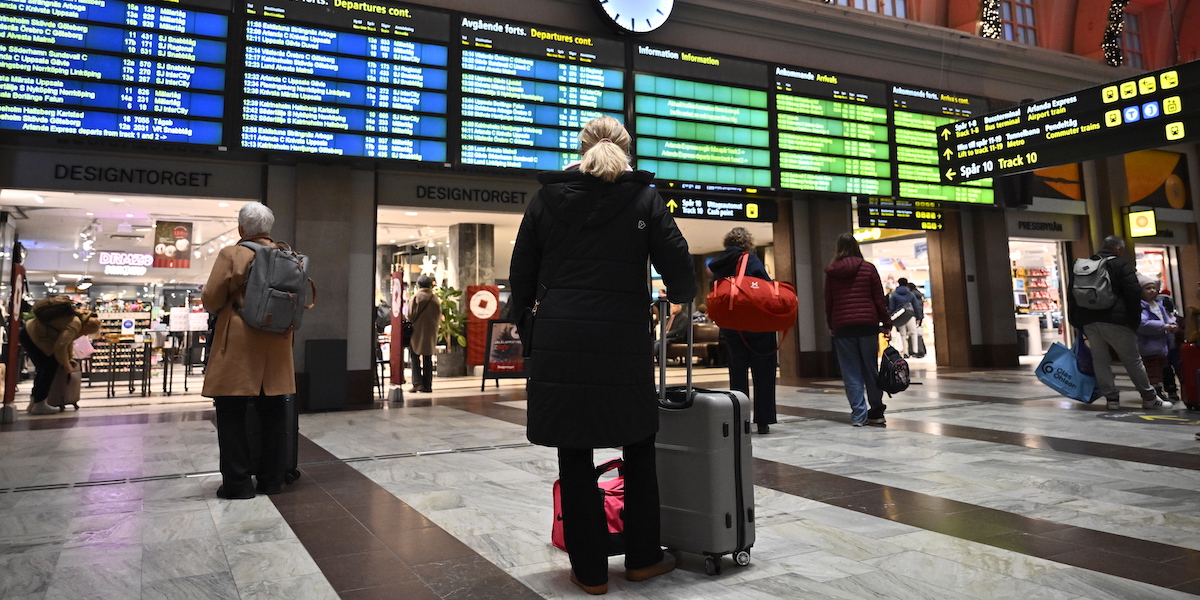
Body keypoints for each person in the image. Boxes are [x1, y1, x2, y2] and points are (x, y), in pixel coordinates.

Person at [510, 116, 694, 595]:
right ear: (625, 149)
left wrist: (531, 324)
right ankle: (641, 558)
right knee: (637, 444)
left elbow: (521, 275)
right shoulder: (643, 198)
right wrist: (675, 296)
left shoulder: (546, 198)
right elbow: (679, 263)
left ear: (581, 147)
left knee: (574, 450)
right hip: (622, 339)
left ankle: (590, 571)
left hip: (560, 340)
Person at [202, 201, 299, 500]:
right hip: (277, 345)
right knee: (273, 414)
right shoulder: (287, 256)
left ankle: (238, 483)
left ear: (242, 228)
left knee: (231, 415)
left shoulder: (233, 253)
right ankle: (272, 480)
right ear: (268, 229)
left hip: (239, 346)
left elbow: (211, 298)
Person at [1067, 236, 1169, 410]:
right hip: (1116, 321)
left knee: (1100, 361)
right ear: (1119, 249)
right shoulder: (1121, 265)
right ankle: (1149, 397)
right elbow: (1132, 293)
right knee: (1133, 360)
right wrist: (1134, 320)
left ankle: (1112, 399)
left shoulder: (1086, 265)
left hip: (1090, 321)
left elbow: (1072, 294)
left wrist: (1076, 321)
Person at [709, 227, 778, 435]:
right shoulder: (750, 259)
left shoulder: (719, 265)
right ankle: (764, 421)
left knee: (737, 375)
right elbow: (767, 288)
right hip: (757, 326)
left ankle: (740, 420)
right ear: (747, 243)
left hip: (732, 327)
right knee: (764, 372)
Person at [824, 233, 893, 426]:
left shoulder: (832, 271)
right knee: (870, 369)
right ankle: (877, 411)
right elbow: (879, 300)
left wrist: (831, 324)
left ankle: (858, 416)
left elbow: (829, 302)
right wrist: (886, 324)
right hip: (867, 325)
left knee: (850, 371)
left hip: (843, 326)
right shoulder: (868, 269)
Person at [19, 297, 100, 414]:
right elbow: (60, 346)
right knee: (48, 368)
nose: (86, 335)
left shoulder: (75, 321)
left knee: (44, 369)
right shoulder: (75, 324)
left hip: (29, 333)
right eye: (88, 332)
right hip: (32, 335)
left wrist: (68, 359)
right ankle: (39, 403)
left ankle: (35, 402)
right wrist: (66, 365)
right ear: (87, 326)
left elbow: (68, 343)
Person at [1136, 274, 1178, 404]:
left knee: (1161, 367)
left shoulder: (1158, 304)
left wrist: (1172, 323)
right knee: (1152, 369)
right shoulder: (1141, 307)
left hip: (1161, 344)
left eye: (1153, 288)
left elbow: (1167, 317)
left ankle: (1159, 388)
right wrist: (1164, 326)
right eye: (1147, 288)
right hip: (1148, 345)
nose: (1152, 291)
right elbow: (1142, 324)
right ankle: (1156, 389)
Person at [407, 275, 441, 393]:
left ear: (418, 285)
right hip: (431, 332)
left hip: (417, 331)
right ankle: (428, 385)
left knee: (414, 356)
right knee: (428, 357)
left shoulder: (416, 297)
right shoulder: (435, 298)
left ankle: (417, 383)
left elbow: (410, 315)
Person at [888, 277, 921, 357]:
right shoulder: (910, 293)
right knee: (913, 333)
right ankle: (914, 351)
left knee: (903, 334)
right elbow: (916, 306)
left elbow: (891, 307)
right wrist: (919, 317)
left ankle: (905, 352)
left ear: (898, 283)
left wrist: (891, 316)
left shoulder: (894, 294)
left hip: (900, 315)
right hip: (910, 315)